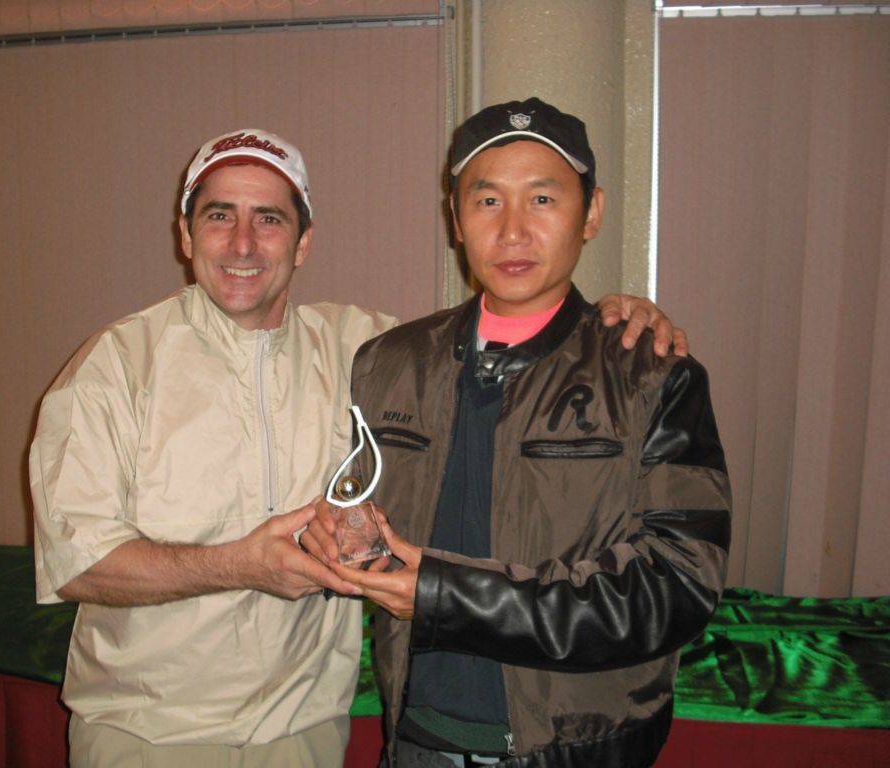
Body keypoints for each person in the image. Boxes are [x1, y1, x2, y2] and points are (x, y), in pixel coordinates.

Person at [30, 126, 687, 767]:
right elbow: (77, 563)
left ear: (304, 242)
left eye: (269, 219)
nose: (242, 243)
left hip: (304, 731)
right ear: (185, 233)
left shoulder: (366, 352)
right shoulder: (116, 366)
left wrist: (608, 319)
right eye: (219, 215)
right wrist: (238, 565)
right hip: (144, 733)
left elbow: (505, 333)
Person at [303, 98, 732, 768]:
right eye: (487, 201)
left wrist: (443, 595)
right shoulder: (387, 364)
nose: (512, 231)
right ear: (456, 219)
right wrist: (339, 539)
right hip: (415, 741)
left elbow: (676, 588)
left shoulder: (651, 375)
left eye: (542, 199)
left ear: (591, 213)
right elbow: (362, 509)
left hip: (580, 750)